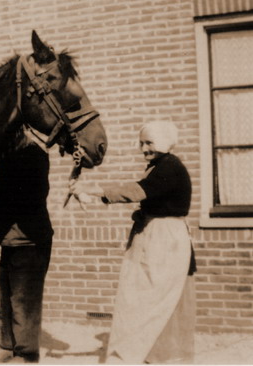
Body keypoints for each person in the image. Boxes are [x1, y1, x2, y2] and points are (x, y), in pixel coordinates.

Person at [68, 120, 196, 364]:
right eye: (141, 143)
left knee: (150, 296)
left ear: (164, 142)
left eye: (149, 142)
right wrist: (90, 196)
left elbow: (138, 191)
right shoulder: (158, 165)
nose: (144, 148)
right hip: (155, 234)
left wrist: (93, 189)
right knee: (147, 295)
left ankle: (153, 353)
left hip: (164, 239)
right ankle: (153, 352)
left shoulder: (170, 166)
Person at [0, 130, 53, 363]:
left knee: (24, 300)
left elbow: (32, 194)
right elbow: (3, 192)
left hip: (30, 239)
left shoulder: (34, 154)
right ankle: (6, 346)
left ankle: (26, 354)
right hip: (10, 239)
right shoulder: (7, 155)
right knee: (6, 295)